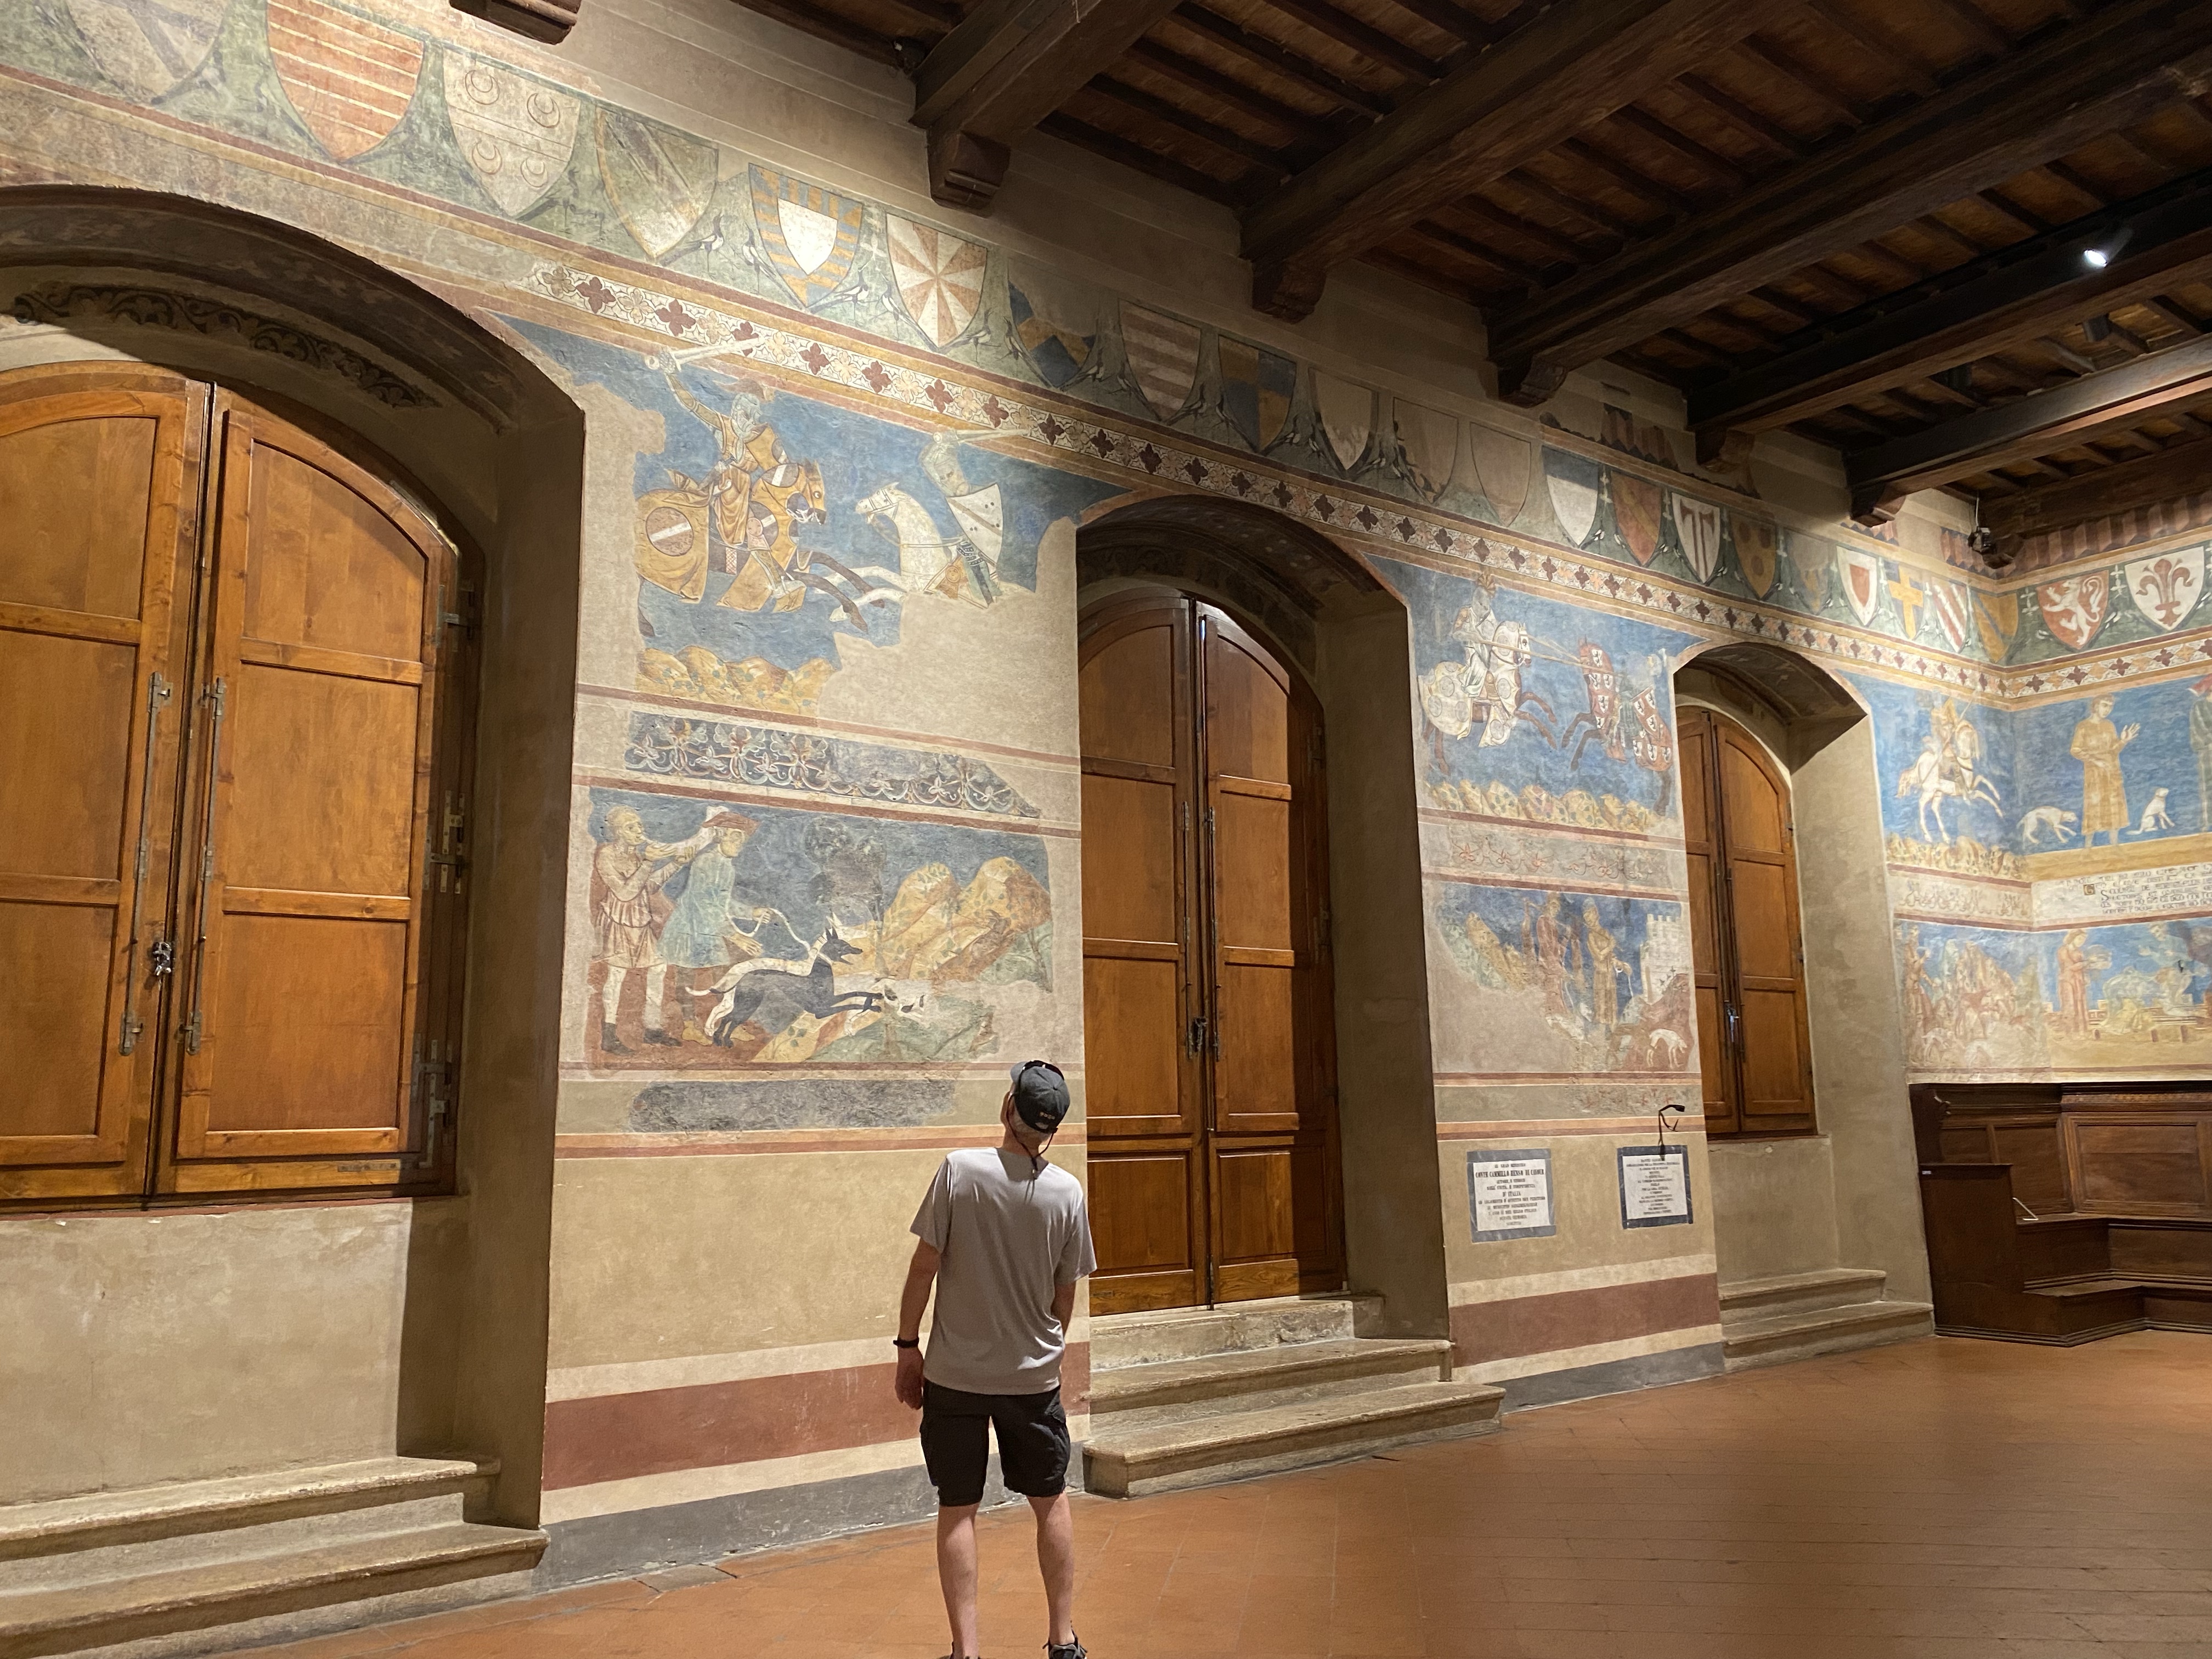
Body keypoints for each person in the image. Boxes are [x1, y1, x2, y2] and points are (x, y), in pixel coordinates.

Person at [895, 1060, 1094, 1659]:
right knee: (1050, 1499)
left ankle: (967, 1651)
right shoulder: (1067, 1192)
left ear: (1008, 1109)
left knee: (958, 1509)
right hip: (1032, 1380)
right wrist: (1045, 1349)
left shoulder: (960, 1171)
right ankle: (1062, 1641)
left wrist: (907, 1348)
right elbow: (1065, 1292)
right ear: (1053, 1127)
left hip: (954, 1376)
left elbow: (924, 1268)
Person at [2070, 695, 2139, 848]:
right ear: (2095, 706)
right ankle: (2088, 847)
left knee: (2114, 804)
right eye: (2104, 705)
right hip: (2094, 773)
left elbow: (2113, 751)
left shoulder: (2109, 725)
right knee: (2094, 805)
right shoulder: (2083, 726)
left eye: (2110, 706)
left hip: (2112, 770)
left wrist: (2123, 741)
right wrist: (2095, 761)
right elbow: (2075, 749)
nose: (2108, 710)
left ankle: (2114, 845)